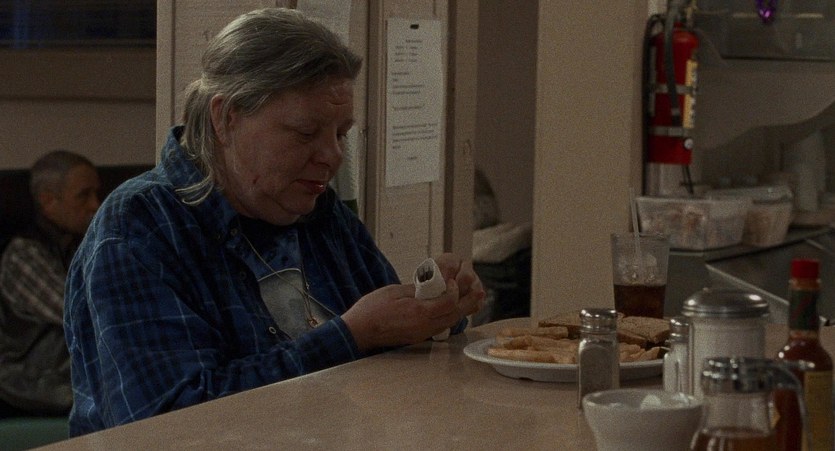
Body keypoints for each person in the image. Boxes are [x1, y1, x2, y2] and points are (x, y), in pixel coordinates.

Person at [64, 7, 485, 436]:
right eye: (305, 133)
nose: (333, 156)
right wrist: (351, 336)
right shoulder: (140, 227)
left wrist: (435, 308)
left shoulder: (319, 212)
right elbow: (167, 423)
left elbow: (388, 342)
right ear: (226, 118)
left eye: (341, 134)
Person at [0, 150, 101, 417]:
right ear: (48, 201)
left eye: (96, 194)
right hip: (32, 380)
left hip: (67, 376)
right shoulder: (24, 255)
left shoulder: (76, 245)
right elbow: (82, 312)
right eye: (84, 195)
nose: (95, 205)